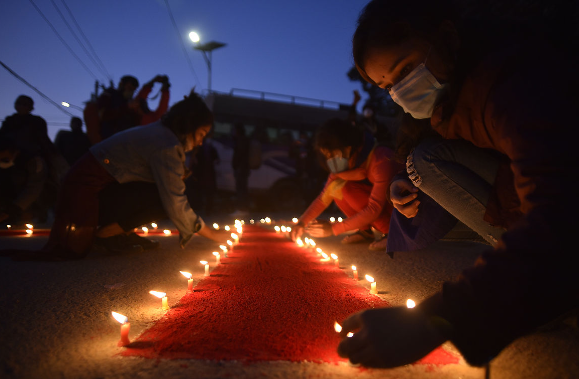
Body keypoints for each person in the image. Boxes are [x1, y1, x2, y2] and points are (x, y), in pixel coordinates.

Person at [336, 0, 578, 368]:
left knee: (426, 162)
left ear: (447, 37)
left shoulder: (513, 85)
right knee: (421, 165)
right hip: (519, 197)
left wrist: (429, 323)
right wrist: (403, 180)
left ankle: (535, 280)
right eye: (387, 86)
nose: (399, 91)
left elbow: (560, 219)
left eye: (405, 70)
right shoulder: (455, 96)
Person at [5, 90, 228, 260]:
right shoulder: (165, 144)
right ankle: (107, 233)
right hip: (86, 192)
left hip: (97, 188)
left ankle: (116, 231)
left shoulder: (162, 135)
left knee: (167, 189)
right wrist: (209, 233)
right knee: (166, 197)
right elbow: (175, 200)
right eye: (201, 134)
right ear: (189, 125)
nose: (201, 141)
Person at [290, 118, 403, 251]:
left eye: (333, 153)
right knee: (338, 188)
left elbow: (374, 209)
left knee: (346, 189)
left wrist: (333, 229)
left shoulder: (380, 158)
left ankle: (393, 234)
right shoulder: (344, 166)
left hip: (402, 211)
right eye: (326, 155)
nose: (330, 159)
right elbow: (323, 199)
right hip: (382, 208)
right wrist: (301, 223)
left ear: (348, 148)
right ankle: (365, 232)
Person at [0, 133, 57, 225]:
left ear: (14, 152)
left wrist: (13, 209)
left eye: (4, 159)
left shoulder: (34, 161)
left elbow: (34, 189)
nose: (1, 163)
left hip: (35, 205)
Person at [230, 122, 251, 216]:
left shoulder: (241, 141)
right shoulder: (244, 140)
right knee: (242, 189)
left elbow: (239, 155)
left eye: (234, 130)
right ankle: (243, 209)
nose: (232, 132)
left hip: (241, 168)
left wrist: (236, 166)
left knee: (241, 189)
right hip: (243, 168)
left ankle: (242, 209)